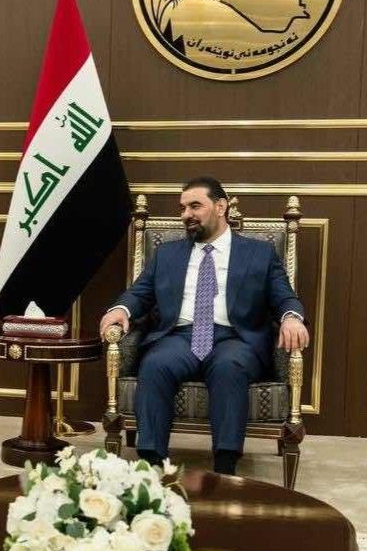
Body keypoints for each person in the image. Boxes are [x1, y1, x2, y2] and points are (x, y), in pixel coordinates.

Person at [98, 176, 309, 475]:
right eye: (183, 208)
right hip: (180, 337)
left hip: (234, 339)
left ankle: (224, 467)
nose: (186, 214)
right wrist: (120, 309)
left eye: (195, 206)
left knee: (228, 368)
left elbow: (284, 296)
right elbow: (140, 293)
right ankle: (151, 465)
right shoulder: (167, 253)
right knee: (155, 364)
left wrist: (291, 317)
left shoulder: (258, 253)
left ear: (221, 207)